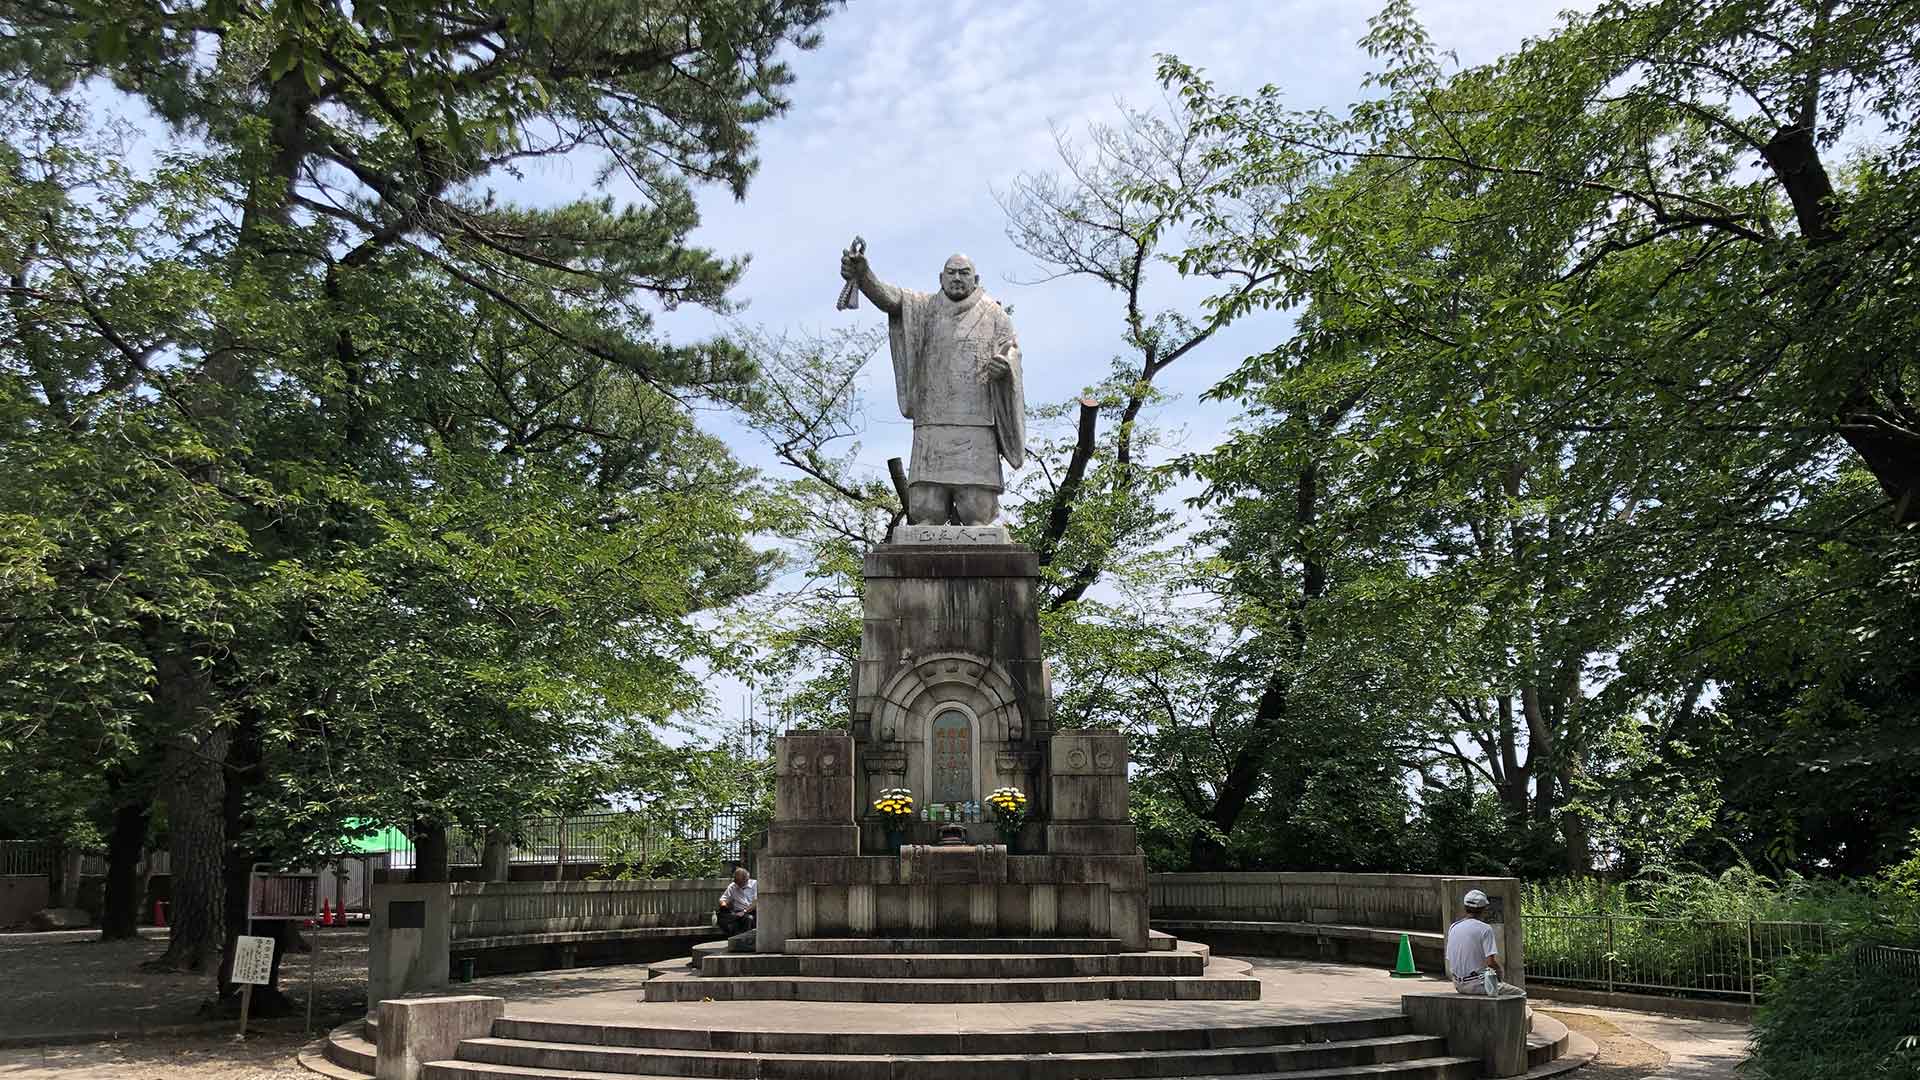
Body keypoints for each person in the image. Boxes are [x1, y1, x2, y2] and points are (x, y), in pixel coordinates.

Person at [839, 244, 1026, 526]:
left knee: (978, 511)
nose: (957, 278)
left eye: (964, 273)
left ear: (976, 280)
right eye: (951, 273)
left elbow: (1012, 352)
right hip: (933, 419)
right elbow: (891, 299)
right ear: (941, 277)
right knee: (926, 509)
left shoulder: (995, 315)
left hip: (977, 422)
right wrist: (864, 276)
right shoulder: (923, 307)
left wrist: (1005, 368)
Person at [1445, 889, 1523, 996]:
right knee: (1519, 993)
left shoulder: (1453, 927)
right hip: (1477, 984)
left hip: (1458, 984)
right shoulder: (1485, 929)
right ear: (1484, 909)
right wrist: (1500, 974)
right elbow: (1490, 962)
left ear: (1465, 907)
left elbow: (1449, 958)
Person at [717, 866, 756, 936]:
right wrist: (724, 905)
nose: (737, 884)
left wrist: (744, 912)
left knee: (748, 919)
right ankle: (733, 938)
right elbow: (723, 899)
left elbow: (756, 903)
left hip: (751, 911)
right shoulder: (733, 886)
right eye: (736, 881)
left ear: (746, 880)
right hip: (737, 912)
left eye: (739, 882)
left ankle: (744, 941)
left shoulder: (755, 884)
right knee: (722, 917)